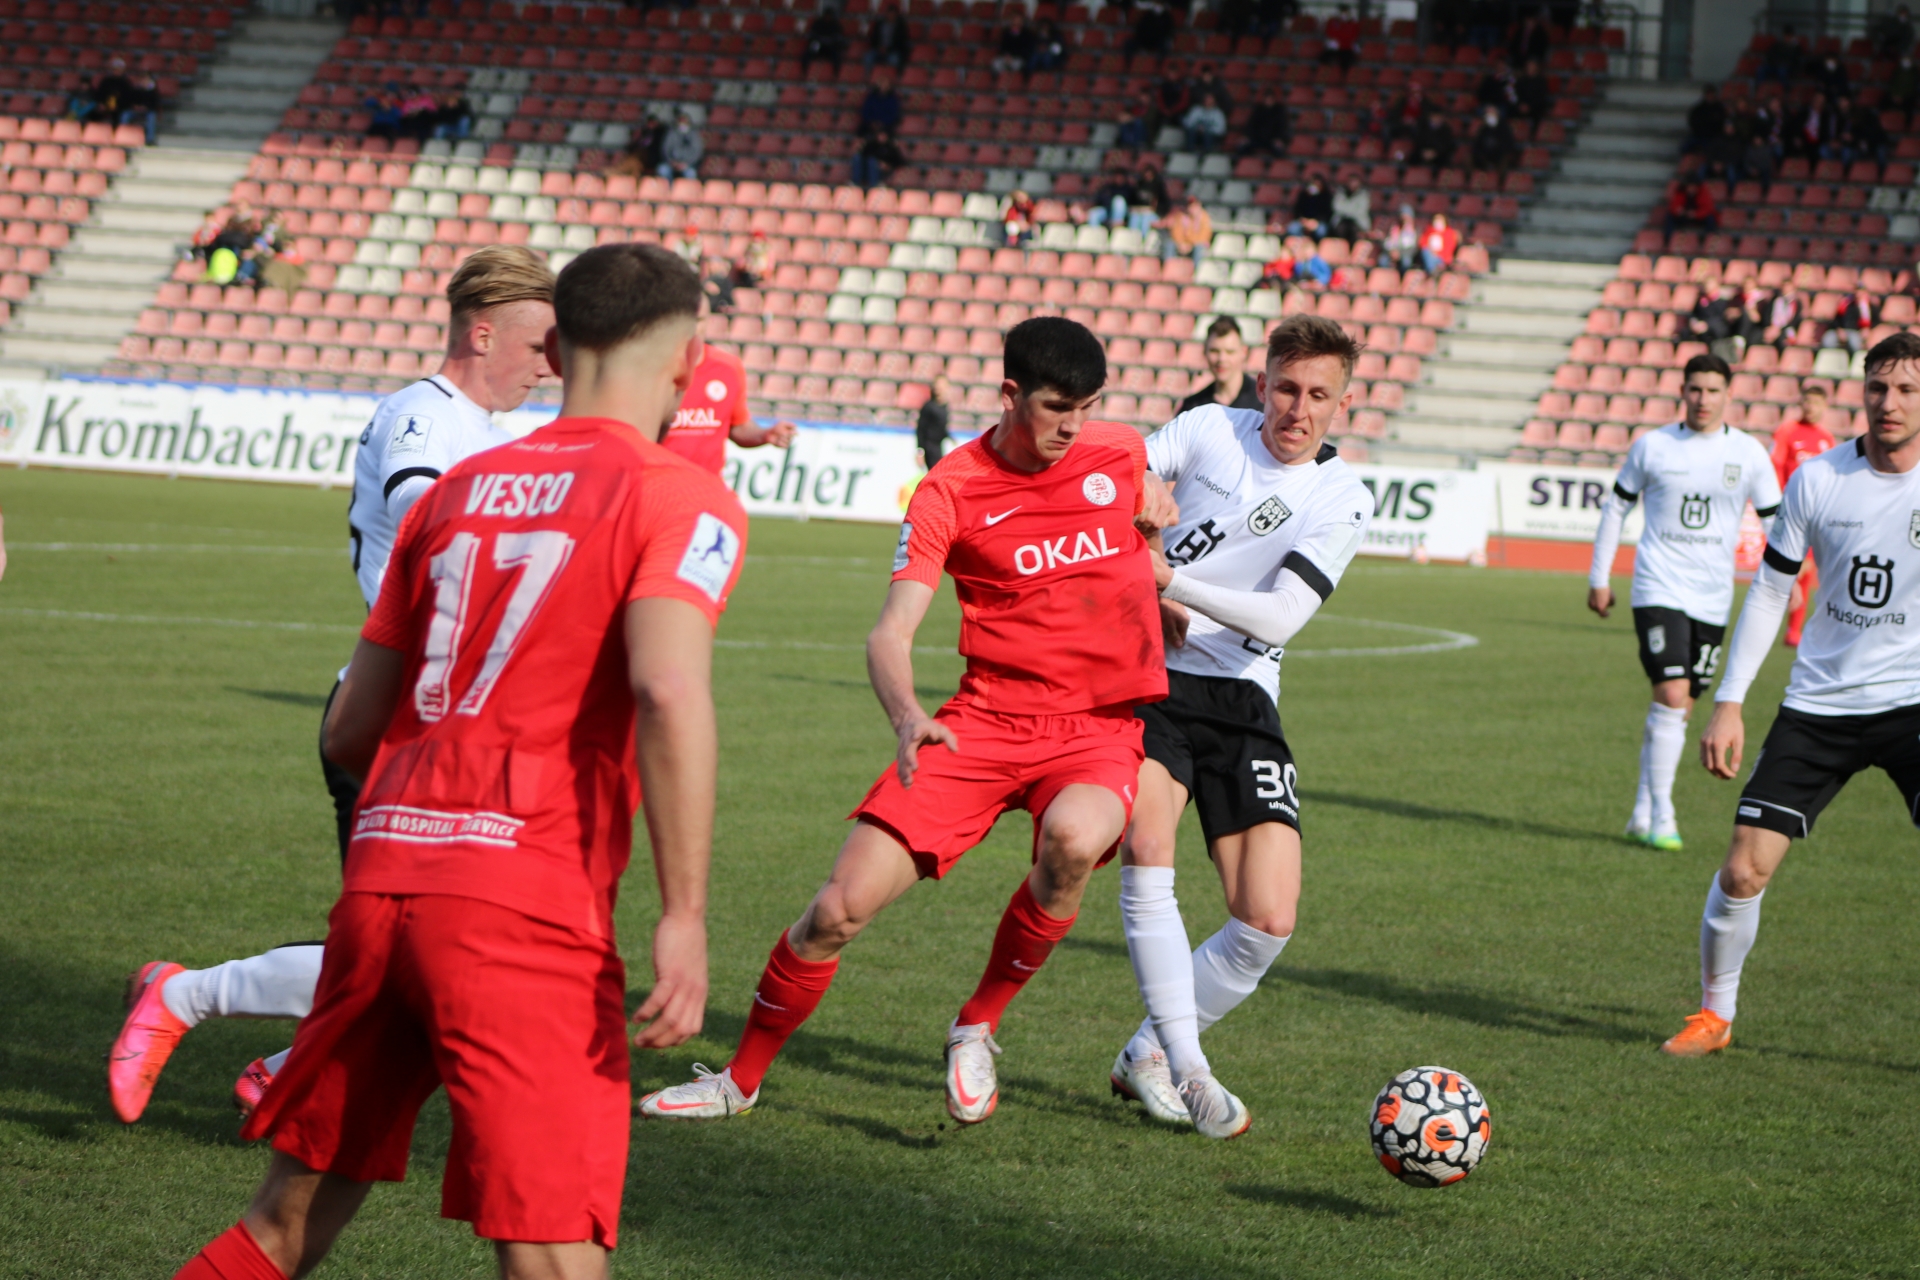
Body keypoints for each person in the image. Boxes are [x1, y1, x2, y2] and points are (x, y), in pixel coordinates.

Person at [160, 242, 746, 1280]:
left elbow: (349, 730)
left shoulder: (456, 490)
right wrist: (686, 913)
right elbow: (666, 687)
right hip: (520, 905)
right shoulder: (678, 493)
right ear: (691, 360)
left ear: (555, 349)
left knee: (280, 1229)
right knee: (555, 1253)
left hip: (382, 884)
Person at [637, 317, 1178, 1125]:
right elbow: (890, 633)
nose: (1074, 426)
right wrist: (906, 714)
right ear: (1010, 394)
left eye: (1088, 407)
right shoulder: (950, 490)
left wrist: (1157, 563)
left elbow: (1144, 532)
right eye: (1057, 407)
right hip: (982, 723)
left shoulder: (1120, 451)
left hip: (1096, 730)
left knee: (1072, 841)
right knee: (837, 909)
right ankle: (737, 1080)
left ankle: (977, 1023)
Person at [107, 247, 560, 1127]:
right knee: (418, 953)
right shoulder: (423, 420)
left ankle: (281, 1066)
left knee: (446, 949)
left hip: (450, 718)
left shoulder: (488, 432)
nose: (548, 366)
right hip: (397, 718)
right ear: (482, 334)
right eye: (538, 344)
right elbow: (430, 536)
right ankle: (187, 999)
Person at [1112, 313, 1374, 1137]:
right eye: (1287, 388)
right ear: (1262, 383)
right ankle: (1189, 1067)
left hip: (1244, 696)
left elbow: (1283, 616)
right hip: (1153, 679)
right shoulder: (1206, 430)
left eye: (1319, 395)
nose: (1299, 408)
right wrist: (1140, 510)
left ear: (1343, 404)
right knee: (1146, 844)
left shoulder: (1341, 496)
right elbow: (1112, 474)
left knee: (1266, 919)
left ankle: (1145, 1052)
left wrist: (1170, 583)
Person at [1665, 333, 1920, 1057]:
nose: (1890, 402)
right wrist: (1730, 701)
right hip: (1820, 704)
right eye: (1878, 387)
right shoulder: (1818, 479)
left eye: (1907, 389)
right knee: (1743, 867)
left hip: (1912, 702)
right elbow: (1772, 590)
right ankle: (1714, 1017)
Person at [1585, 354, 1784, 851]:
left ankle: (1642, 809)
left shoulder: (1748, 453)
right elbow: (1616, 508)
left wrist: (1791, 578)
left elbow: (1777, 523)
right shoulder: (1653, 446)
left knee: (1679, 708)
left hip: (1713, 597)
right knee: (1672, 695)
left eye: (1713, 391)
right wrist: (1599, 577)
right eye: (1695, 389)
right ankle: (1663, 816)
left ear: (1728, 395)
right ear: (1682, 391)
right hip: (1658, 587)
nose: (1703, 399)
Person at [662, 293, 798, 474]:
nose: (692, 328)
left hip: (707, 485)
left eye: (698, 320)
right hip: (658, 482)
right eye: (685, 320)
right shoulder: (654, 370)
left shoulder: (728, 368)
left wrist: (765, 434)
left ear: (708, 321)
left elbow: (739, 427)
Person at [1769, 383, 1837, 648]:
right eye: (1807, 401)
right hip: (1788, 512)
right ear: (1801, 403)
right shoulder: (1787, 431)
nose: (1811, 407)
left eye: (1816, 402)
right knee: (1780, 570)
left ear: (1824, 406)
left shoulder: (1826, 439)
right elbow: (1775, 466)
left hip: (1813, 516)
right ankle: (1768, 621)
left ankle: (1793, 630)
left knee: (1805, 574)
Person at [1178, 316, 1262, 414]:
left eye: (1230, 352)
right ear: (1204, 352)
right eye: (1214, 351)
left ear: (1244, 352)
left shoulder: (1264, 401)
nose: (1222, 359)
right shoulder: (1193, 407)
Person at [1157, 193, 1212, 265]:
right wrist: (1181, 243)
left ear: (1198, 205)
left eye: (1194, 206)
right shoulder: (1180, 215)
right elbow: (1175, 232)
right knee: (1169, 244)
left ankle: (1196, 268)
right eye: (1189, 206)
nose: (1192, 208)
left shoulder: (1204, 217)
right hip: (1182, 243)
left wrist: (1190, 243)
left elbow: (1204, 235)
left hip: (1195, 243)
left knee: (1199, 247)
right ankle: (1169, 266)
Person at [1240, 86, 1291, 158]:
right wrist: (1246, 136)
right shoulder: (1258, 109)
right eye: (1266, 99)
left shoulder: (1280, 111)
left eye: (1270, 99)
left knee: (1279, 151)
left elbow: (1283, 127)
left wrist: (1280, 139)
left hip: (1272, 139)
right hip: (1257, 138)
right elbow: (1251, 124)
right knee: (1242, 147)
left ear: (1273, 99)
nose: (1267, 101)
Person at [915, 372, 951, 468]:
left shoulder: (944, 407)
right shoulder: (928, 407)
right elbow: (921, 430)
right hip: (930, 448)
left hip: (939, 446)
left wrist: (950, 437)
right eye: (937, 385)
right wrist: (920, 451)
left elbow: (940, 429)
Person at [1826, 285, 1875, 353]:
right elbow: (1837, 319)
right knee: (1828, 341)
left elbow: (1874, 322)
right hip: (1842, 331)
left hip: (1855, 332)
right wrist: (1839, 330)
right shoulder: (1845, 304)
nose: (1858, 294)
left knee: (1855, 344)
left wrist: (1867, 330)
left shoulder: (1869, 307)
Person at [1470, 105, 1518, 174]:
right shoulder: (1483, 129)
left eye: (1492, 113)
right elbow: (1477, 145)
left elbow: (1509, 145)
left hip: (1499, 155)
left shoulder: (1505, 128)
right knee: (1469, 158)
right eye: (1488, 114)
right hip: (1485, 156)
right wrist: (1480, 155)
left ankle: (1500, 179)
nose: (1490, 116)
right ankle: (1473, 178)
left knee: (1505, 159)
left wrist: (1499, 151)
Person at [802, 6, 850, 75]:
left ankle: (836, 74)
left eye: (829, 16)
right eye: (827, 15)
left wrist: (830, 41)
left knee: (837, 56)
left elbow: (838, 37)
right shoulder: (818, 23)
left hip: (830, 47)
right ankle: (804, 71)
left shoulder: (835, 25)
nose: (828, 17)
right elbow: (812, 35)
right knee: (809, 52)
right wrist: (820, 40)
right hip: (819, 45)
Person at [865, 3, 912, 70]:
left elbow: (901, 42)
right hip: (878, 49)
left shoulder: (901, 27)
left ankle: (891, 74)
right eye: (889, 14)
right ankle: (869, 74)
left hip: (893, 51)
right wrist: (879, 48)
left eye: (893, 14)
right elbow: (873, 38)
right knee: (868, 57)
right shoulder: (879, 24)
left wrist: (888, 49)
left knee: (894, 60)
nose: (891, 16)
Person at [858, 70, 902, 139]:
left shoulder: (893, 98)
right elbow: (865, 111)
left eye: (885, 83)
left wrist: (882, 123)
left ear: (889, 85)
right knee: (861, 132)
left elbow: (893, 114)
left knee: (887, 133)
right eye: (881, 83)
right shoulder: (871, 97)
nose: (883, 85)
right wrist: (872, 122)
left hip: (886, 125)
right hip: (870, 123)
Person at [1685, 84, 1728, 156]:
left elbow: (1722, 123)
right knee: (1685, 147)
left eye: (1711, 93)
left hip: (1714, 136)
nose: (1710, 96)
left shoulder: (1720, 109)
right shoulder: (1698, 109)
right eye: (1708, 94)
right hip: (1699, 135)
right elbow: (1693, 122)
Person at [1287, 173, 1333, 240]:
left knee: (1321, 231)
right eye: (1314, 184)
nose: (1316, 187)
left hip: (1318, 222)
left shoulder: (1326, 197)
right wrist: (1304, 220)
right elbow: (1297, 210)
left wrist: (1315, 222)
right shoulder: (1303, 195)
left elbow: (1327, 213)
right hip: (1303, 221)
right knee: (1293, 229)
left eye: (1318, 185)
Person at [659, 113, 703, 180]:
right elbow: (665, 149)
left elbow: (697, 152)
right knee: (662, 170)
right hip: (672, 163)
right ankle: (669, 186)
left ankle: (685, 187)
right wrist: (672, 162)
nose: (682, 124)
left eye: (684, 122)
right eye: (681, 122)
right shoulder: (671, 134)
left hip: (687, 164)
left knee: (691, 173)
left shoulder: (694, 135)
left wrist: (686, 163)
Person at [1320, 3, 1359, 72]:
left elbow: (1352, 36)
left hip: (1347, 48)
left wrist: (1340, 38)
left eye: (1345, 12)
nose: (1343, 14)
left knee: (1346, 62)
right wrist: (1339, 37)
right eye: (1341, 12)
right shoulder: (1332, 22)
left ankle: (1343, 75)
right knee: (1323, 58)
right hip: (1334, 47)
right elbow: (1329, 33)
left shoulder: (1353, 23)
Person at [1382, 204, 1419, 271]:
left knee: (1406, 261)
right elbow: (1387, 242)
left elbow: (1413, 248)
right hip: (1392, 251)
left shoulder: (1414, 230)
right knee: (1383, 260)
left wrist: (1400, 253)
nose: (1404, 219)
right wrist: (1391, 251)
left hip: (1405, 254)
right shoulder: (1394, 228)